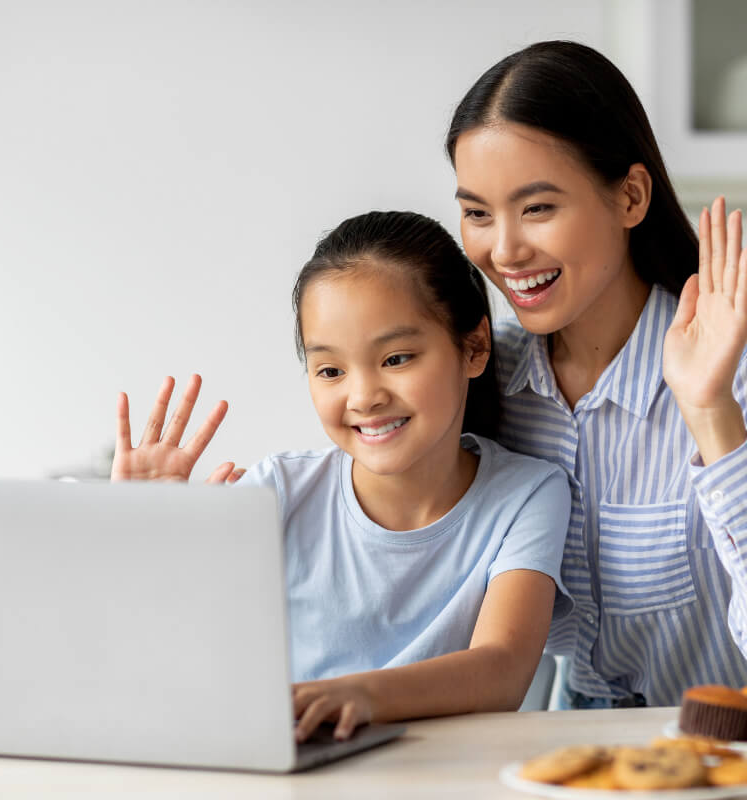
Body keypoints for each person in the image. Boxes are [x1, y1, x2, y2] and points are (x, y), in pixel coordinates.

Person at [111, 210, 572, 740]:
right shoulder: (277, 493)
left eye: (396, 358)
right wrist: (138, 539)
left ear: (474, 347)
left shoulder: (528, 494)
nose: (363, 397)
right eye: (330, 370)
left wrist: (360, 695)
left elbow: (503, 670)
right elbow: (166, 654)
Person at [446, 40, 747, 708]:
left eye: (538, 208)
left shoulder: (730, 370)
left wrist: (710, 412)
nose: (504, 249)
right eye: (476, 213)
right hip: (565, 767)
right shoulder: (481, 381)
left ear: (631, 196)